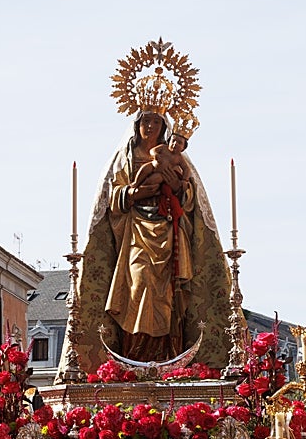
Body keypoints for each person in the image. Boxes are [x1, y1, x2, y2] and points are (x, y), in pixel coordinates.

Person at [66, 45, 231, 374]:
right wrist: (139, 192)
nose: (150, 127)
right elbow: (112, 200)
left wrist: (179, 191)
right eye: (146, 121)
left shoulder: (178, 159)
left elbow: (190, 201)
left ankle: (167, 355)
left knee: (170, 297)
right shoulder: (123, 160)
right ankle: (135, 356)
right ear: (138, 123)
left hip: (169, 234)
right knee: (138, 288)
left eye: (157, 122)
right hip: (135, 237)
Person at [129, 130, 192, 201]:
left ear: (183, 148)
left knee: (153, 180)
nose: (175, 144)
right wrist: (156, 155)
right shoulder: (163, 148)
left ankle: (145, 188)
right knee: (144, 169)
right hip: (153, 165)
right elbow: (152, 150)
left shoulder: (179, 158)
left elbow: (186, 169)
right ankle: (136, 183)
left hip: (163, 173)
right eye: (173, 141)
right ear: (169, 141)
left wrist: (184, 180)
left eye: (179, 143)